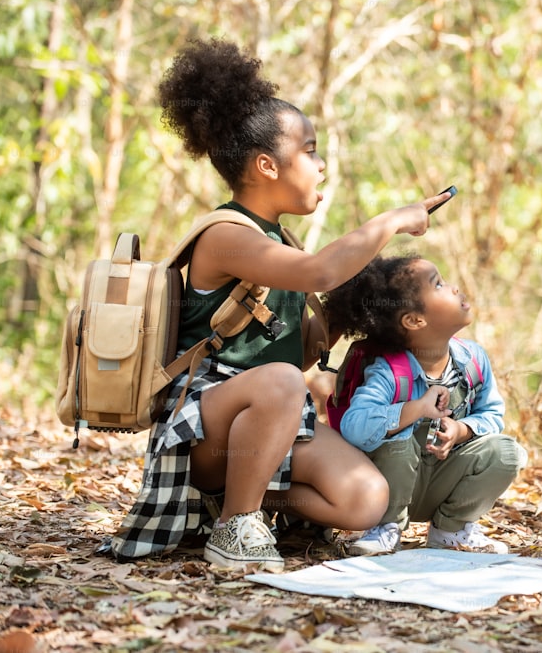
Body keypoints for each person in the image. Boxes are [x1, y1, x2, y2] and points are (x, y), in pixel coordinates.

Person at [109, 38, 452, 573]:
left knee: (365, 500)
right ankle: (234, 530)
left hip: (270, 422)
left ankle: (247, 503)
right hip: (203, 430)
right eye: (310, 150)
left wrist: (356, 308)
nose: (320, 164)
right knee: (281, 382)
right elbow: (320, 273)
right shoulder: (225, 235)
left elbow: (303, 348)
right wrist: (390, 221)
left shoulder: (282, 242)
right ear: (267, 166)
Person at [322, 255, 527, 556]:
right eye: (439, 285)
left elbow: (492, 414)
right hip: (389, 486)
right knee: (399, 439)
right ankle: (386, 527)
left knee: (507, 452)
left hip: (442, 479)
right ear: (415, 320)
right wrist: (415, 409)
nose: (455, 288)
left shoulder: (472, 360)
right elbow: (354, 426)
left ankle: (450, 529)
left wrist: (461, 429)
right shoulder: (388, 371)